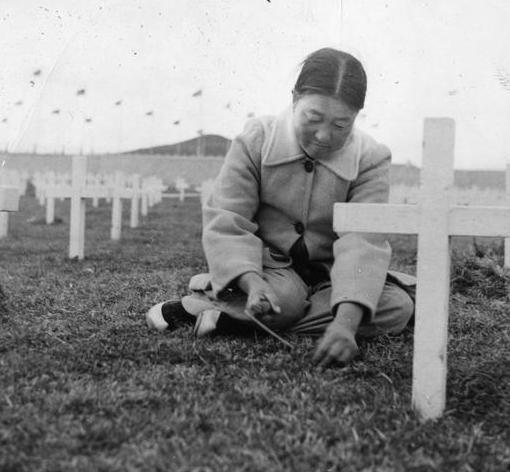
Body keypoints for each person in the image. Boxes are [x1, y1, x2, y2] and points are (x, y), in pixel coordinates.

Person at [146, 47, 415, 366]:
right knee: (283, 299)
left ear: (357, 116)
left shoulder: (371, 158)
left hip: (332, 273)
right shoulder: (256, 139)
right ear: (293, 99)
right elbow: (228, 219)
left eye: (341, 125)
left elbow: (362, 241)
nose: (324, 135)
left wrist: (345, 325)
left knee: (396, 306)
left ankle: (227, 315)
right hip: (268, 269)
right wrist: (251, 281)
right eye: (313, 118)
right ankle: (248, 307)